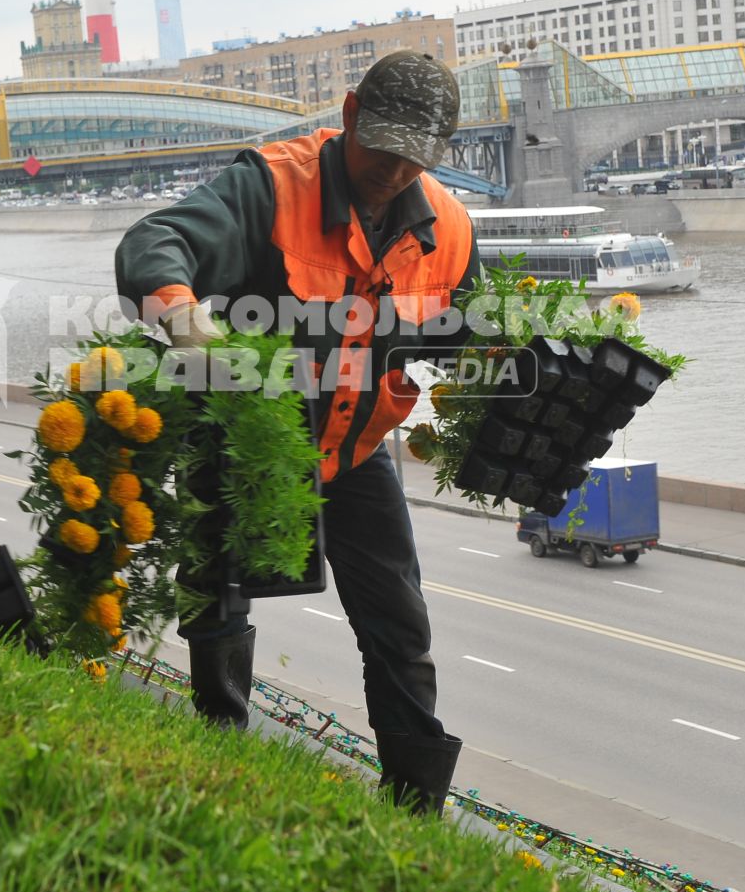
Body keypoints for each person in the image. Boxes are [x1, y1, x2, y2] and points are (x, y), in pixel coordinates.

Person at [114, 50, 480, 814]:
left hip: (355, 449)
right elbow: (152, 245)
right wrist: (186, 321)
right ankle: (220, 760)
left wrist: (496, 375)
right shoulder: (272, 186)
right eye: (380, 149)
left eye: (414, 160)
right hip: (248, 439)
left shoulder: (447, 228)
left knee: (400, 623)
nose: (392, 171)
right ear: (348, 114)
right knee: (218, 598)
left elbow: (462, 335)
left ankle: (416, 807)